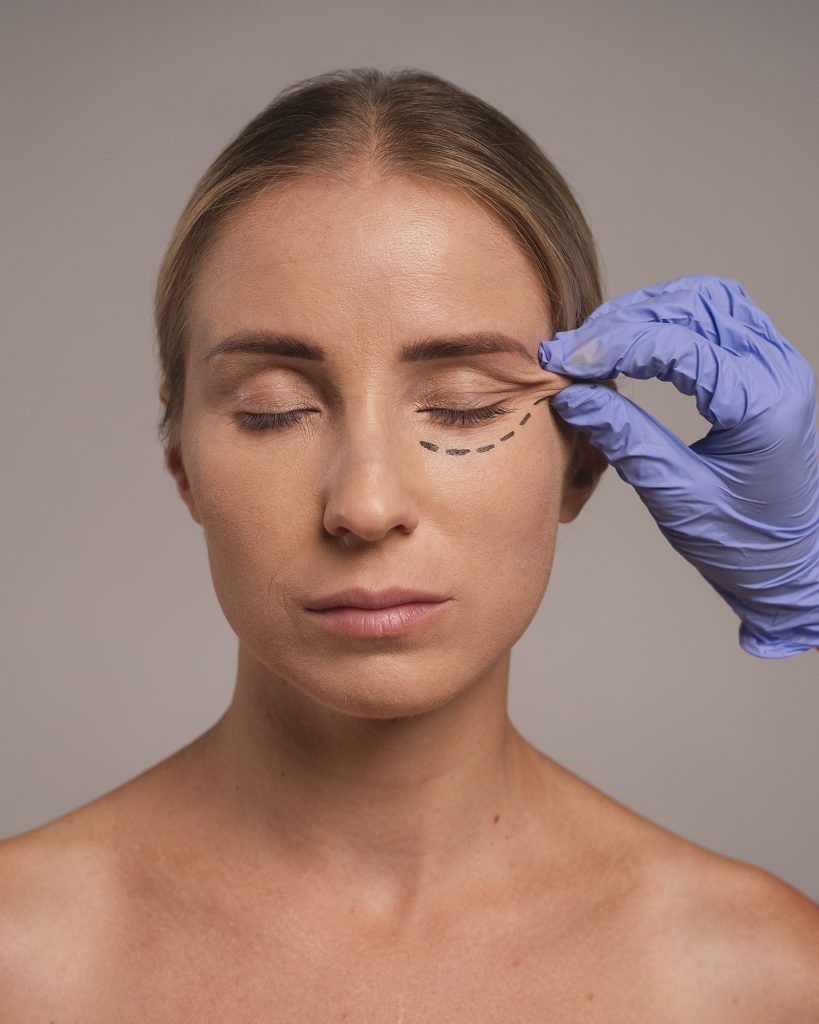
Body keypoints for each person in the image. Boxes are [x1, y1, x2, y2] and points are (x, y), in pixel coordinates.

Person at [2, 67, 818, 1019]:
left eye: (463, 406)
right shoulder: (22, 962)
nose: (365, 504)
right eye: (273, 410)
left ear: (586, 458)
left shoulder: (761, 979)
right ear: (180, 458)